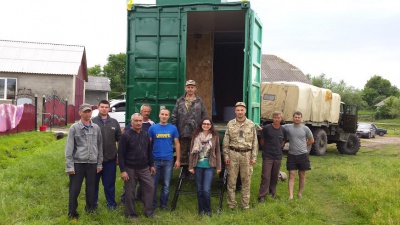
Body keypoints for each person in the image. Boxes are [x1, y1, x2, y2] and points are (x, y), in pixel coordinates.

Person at [65, 103, 103, 219]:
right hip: (78, 164)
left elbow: (100, 146)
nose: (87, 114)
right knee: (74, 189)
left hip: (92, 163)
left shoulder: (96, 128)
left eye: (89, 111)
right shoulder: (74, 128)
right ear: (80, 113)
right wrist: (70, 166)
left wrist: (99, 163)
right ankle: (72, 213)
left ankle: (90, 209)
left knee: (91, 188)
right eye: (85, 111)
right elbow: (69, 148)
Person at [118, 113, 156, 218]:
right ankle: (131, 214)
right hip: (130, 168)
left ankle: (149, 212)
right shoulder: (125, 135)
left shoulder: (145, 134)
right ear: (131, 122)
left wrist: (151, 165)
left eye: (140, 121)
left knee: (150, 188)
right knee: (130, 192)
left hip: (144, 168)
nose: (139, 123)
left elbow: (149, 151)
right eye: (136, 121)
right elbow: (120, 154)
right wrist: (123, 170)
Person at [223, 102, 258, 210]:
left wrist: (254, 157)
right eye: (238, 110)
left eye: (242, 110)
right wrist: (226, 156)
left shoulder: (251, 124)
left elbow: (255, 142)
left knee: (246, 181)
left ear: (245, 111)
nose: (240, 112)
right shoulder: (230, 124)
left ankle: (245, 205)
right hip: (233, 154)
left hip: (246, 155)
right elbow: (226, 140)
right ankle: (231, 205)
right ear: (235, 111)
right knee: (231, 181)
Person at [172, 80, 207, 178]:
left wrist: (202, 130)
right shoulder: (180, 101)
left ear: (195, 89)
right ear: (185, 88)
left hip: (195, 131)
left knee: (194, 151)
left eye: (192, 87)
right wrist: (175, 130)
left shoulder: (199, 101)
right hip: (182, 131)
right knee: (183, 151)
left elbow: (204, 115)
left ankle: (192, 170)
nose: (190, 89)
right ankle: (184, 170)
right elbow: (174, 115)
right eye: (188, 87)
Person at [148, 108, 181, 210]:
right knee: (153, 184)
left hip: (168, 159)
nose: (164, 116)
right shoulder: (153, 128)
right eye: (162, 114)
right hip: (155, 160)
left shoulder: (173, 128)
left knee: (166, 185)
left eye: (166, 114)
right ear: (159, 115)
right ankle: (152, 205)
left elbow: (177, 144)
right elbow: (148, 145)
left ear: (169, 116)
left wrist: (178, 159)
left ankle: (163, 205)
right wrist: (149, 160)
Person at [188, 117, 222, 217]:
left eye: (208, 124)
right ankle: (201, 210)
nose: (206, 125)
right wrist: (191, 166)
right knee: (199, 190)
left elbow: (218, 152)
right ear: (201, 125)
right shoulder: (196, 136)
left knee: (206, 190)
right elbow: (191, 152)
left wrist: (219, 167)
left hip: (209, 166)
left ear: (211, 126)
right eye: (204, 124)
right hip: (198, 165)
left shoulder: (214, 137)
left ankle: (208, 210)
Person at [92, 100, 122, 210]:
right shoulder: (93, 122)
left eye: (106, 107)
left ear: (109, 108)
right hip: (95, 160)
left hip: (110, 159)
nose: (104, 109)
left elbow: (120, 140)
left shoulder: (114, 122)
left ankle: (111, 205)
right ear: (98, 108)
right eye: (102, 107)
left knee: (109, 185)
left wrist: (119, 156)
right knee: (93, 184)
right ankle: (93, 206)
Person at [283, 111, 314, 200]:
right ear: (293, 118)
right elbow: (276, 127)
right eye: (295, 117)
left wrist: (304, 146)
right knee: (292, 174)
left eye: (299, 117)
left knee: (302, 175)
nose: (297, 119)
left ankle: (299, 193)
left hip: (303, 155)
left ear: (301, 118)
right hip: (292, 155)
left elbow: (311, 140)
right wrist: (263, 129)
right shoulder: (288, 127)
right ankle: (291, 195)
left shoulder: (305, 129)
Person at [257, 111, 286, 202]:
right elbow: (262, 140)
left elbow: (283, 141)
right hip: (267, 156)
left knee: (275, 176)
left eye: (278, 118)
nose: (277, 119)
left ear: (281, 119)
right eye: (275, 117)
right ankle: (262, 195)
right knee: (266, 176)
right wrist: (266, 148)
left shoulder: (283, 130)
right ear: (272, 118)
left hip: (277, 156)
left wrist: (278, 148)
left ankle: (272, 193)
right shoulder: (267, 128)